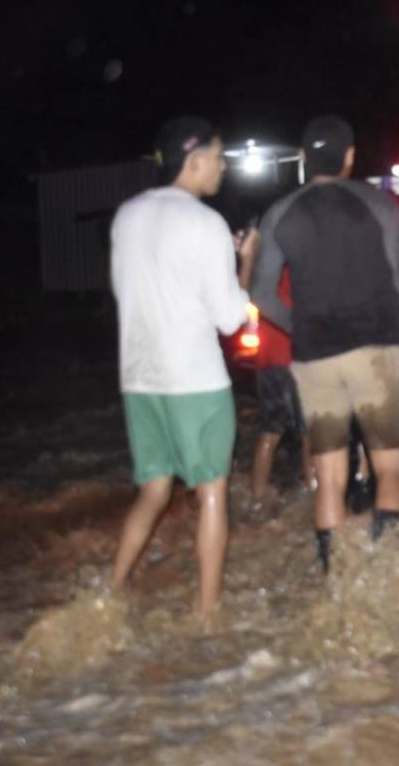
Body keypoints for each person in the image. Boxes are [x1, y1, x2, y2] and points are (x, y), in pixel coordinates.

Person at [250, 115, 399, 573]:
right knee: (389, 465)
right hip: (376, 349)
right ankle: (388, 576)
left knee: (329, 474)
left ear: (303, 159)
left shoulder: (281, 213)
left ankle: (335, 582)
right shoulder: (377, 204)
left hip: (315, 357)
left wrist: (301, 326)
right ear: (350, 156)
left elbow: (259, 293)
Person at [109, 115, 256, 619]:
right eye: (218, 158)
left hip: (138, 377)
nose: (222, 168)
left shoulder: (125, 217)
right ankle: (207, 613)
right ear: (194, 161)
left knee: (153, 488)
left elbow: (135, 288)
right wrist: (246, 263)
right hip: (195, 381)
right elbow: (231, 318)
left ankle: (112, 591)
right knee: (212, 489)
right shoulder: (206, 223)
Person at [237, 261, 314, 504]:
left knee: (270, 431)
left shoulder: (265, 275)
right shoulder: (303, 271)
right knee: (309, 434)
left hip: (266, 362)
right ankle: (313, 495)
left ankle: (257, 498)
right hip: (297, 360)